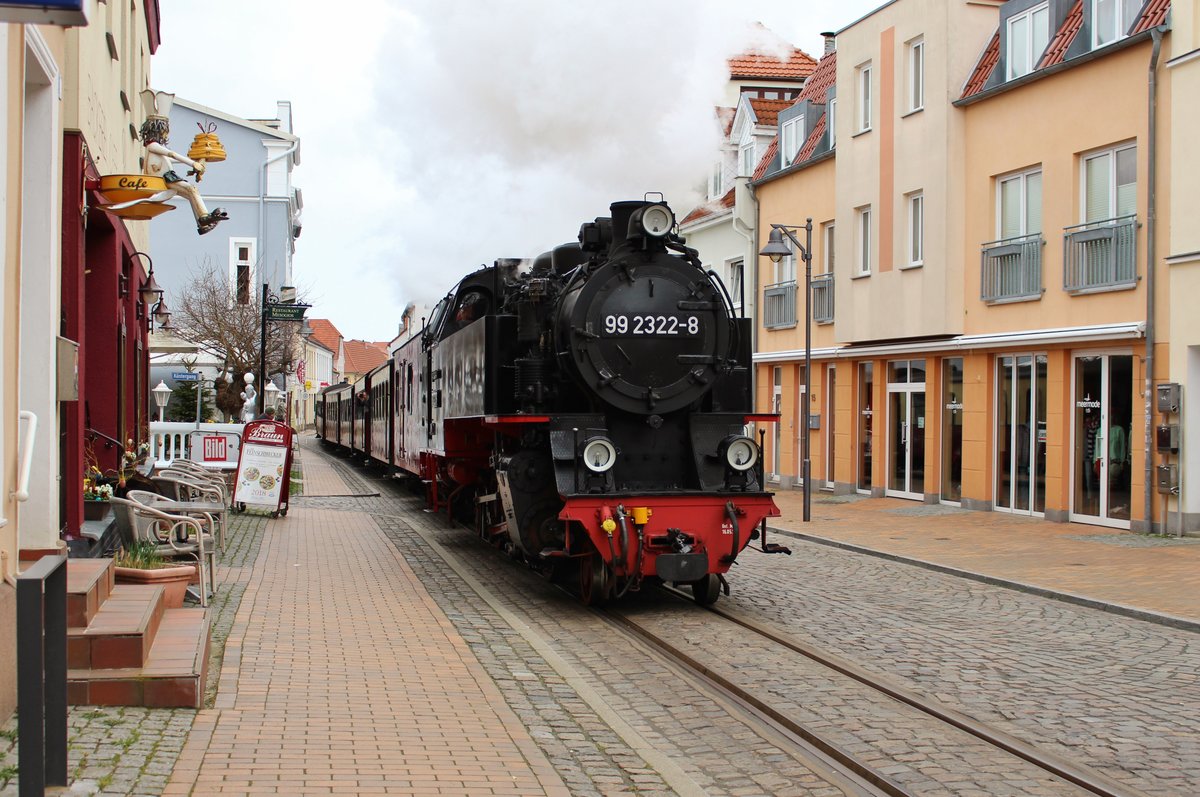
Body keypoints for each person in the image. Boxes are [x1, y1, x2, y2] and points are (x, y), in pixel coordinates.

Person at [104, 91, 228, 235]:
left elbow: (171, 160)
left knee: (189, 194)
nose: (165, 134)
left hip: (166, 178)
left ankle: (202, 222)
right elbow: (172, 154)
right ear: (157, 129)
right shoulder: (153, 146)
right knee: (191, 189)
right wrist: (191, 163)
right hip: (164, 179)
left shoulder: (154, 150)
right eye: (164, 131)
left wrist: (195, 163)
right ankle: (204, 217)